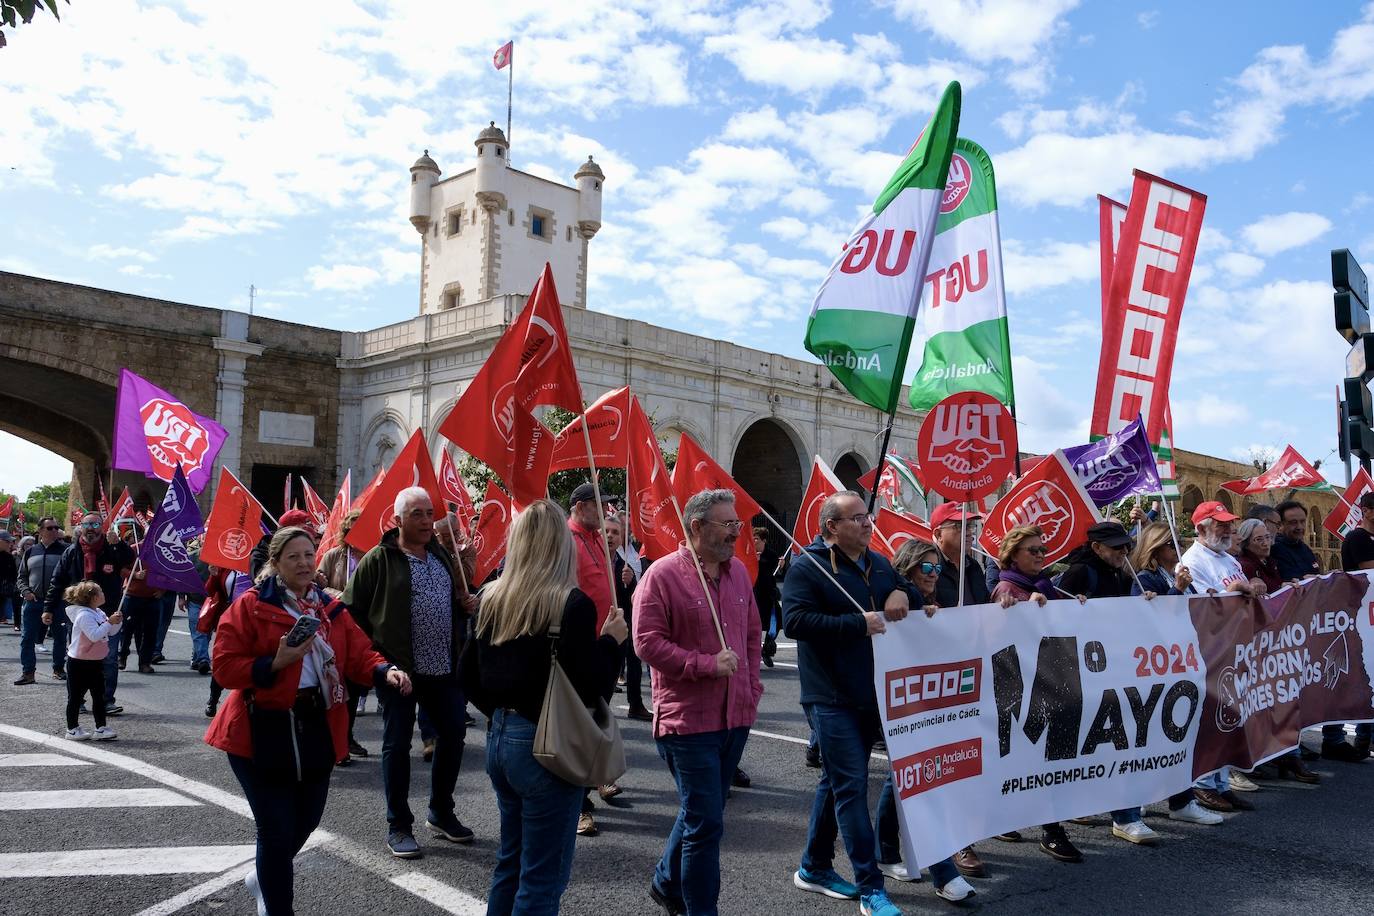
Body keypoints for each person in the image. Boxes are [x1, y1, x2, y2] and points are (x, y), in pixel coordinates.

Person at [206, 526, 411, 916]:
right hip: (260, 728)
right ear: (277, 563)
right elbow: (224, 668)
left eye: (309, 555)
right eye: (293, 557)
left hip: (315, 722)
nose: (303, 563)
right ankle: (278, 905)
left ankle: (264, 875)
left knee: (308, 820)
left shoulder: (329, 608)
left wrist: (386, 670)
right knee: (275, 828)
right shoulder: (250, 605)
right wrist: (274, 663)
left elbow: (359, 653)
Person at [460, 499, 625, 915]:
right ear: (560, 546)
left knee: (511, 862)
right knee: (542, 878)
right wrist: (612, 643)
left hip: (500, 737)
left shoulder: (492, 595)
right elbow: (593, 687)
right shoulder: (570, 603)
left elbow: (467, 673)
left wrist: (501, 711)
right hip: (544, 745)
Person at [784, 491, 936, 916]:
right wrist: (856, 623)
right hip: (830, 695)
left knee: (836, 782)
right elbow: (794, 621)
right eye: (858, 518)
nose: (868, 524)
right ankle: (870, 887)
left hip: (872, 692)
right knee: (851, 787)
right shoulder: (808, 567)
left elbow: (906, 589)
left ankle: (813, 866)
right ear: (832, 526)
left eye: (867, 517)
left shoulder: (877, 561)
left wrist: (903, 594)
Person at [634, 489, 765, 916]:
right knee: (707, 823)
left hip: (735, 716)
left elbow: (751, 635)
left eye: (737, 524)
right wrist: (705, 664)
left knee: (701, 812)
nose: (735, 532)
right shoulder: (662, 575)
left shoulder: (740, 573)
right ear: (696, 527)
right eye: (727, 524)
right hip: (688, 722)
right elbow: (647, 643)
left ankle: (664, 881)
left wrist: (751, 687)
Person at [343, 486, 476, 858]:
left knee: (453, 734)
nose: (426, 521)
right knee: (397, 745)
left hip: (443, 667)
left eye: (429, 514)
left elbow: (452, 604)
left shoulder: (440, 554)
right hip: (399, 671)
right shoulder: (379, 559)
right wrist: (376, 659)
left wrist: (464, 605)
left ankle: (441, 811)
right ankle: (398, 824)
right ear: (397, 520)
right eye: (417, 514)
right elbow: (350, 613)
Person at [1129, 526, 1249, 812]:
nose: (1177, 547)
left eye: (1177, 542)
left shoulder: (1177, 574)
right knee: (1161, 734)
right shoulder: (1144, 579)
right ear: (1155, 549)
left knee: (1194, 728)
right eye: (1170, 543)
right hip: (1163, 666)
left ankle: (1196, 792)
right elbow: (1153, 619)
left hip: (1190, 658)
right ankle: (1151, 796)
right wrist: (1179, 590)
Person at [990, 525, 1090, 860]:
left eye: (1043, 550)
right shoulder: (1006, 588)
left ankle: (1043, 826)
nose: (1040, 556)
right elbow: (998, 639)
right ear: (1012, 554)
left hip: (1051, 685)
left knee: (1046, 760)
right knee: (1029, 761)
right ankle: (1048, 829)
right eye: (1033, 550)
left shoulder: (1046, 586)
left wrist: (1075, 605)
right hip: (1021, 691)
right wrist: (1020, 609)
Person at [886, 539, 976, 900]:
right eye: (926, 568)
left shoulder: (930, 604)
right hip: (901, 702)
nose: (934, 574)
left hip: (933, 701)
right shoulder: (897, 599)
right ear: (908, 568)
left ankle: (884, 851)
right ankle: (944, 872)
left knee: (907, 774)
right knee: (926, 775)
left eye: (938, 568)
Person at [1178, 501, 1262, 812]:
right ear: (1201, 528)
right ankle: (1203, 783)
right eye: (1220, 524)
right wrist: (1236, 592)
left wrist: (1253, 585)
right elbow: (1200, 605)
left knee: (1229, 717)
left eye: (1228, 523)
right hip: (1209, 650)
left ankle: (1221, 783)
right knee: (1211, 718)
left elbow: (1241, 588)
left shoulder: (1228, 558)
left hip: (1234, 648)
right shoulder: (1192, 561)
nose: (1227, 529)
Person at [566, 482, 622, 834]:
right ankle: (578, 804)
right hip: (582, 644)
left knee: (599, 714)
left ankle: (596, 776)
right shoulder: (567, 541)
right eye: (602, 506)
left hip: (607, 641)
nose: (608, 513)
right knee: (579, 724)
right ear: (583, 506)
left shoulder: (598, 539)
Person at [43, 514, 135, 717]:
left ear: (101, 527)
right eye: (87, 524)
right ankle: (77, 699)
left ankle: (106, 701)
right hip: (78, 616)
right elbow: (57, 581)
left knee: (109, 658)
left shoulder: (111, 550)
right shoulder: (71, 552)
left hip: (108, 613)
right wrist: (48, 608)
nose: (91, 528)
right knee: (78, 658)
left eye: (95, 524)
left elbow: (131, 560)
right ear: (81, 527)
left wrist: (119, 544)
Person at [319, 508, 372, 761]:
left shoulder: (375, 556)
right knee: (336, 684)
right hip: (337, 626)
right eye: (353, 530)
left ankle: (346, 737)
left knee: (355, 685)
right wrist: (342, 597)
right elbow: (319, 586)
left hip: (365, 629)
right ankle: (335, 741)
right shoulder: (333, 556)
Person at [1327, 489, 1374, 761]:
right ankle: (1363, 737)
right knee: (1365, 676)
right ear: (1366, 510)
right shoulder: (1357, 538)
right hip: (1361, 616)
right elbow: (1368, 569)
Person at [61, 580, 123, 741]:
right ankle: (72, 728)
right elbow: (94, 635)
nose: (103, 594)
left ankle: (101, 727)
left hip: (95, 661)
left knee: (99, 696)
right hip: (79, 662)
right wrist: (109, 622)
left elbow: (110, 632)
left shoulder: (98, 612)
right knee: (75, 697)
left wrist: (117, 622)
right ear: (93, 597)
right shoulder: (83, 615)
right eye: (100, 592)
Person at [605, 515, 651, 722]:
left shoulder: (624, 565)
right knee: (606, 664)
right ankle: (601, 706)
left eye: (615, 532)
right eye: (606, 531)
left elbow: (633, 595)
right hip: (602, 622)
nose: (610, 536)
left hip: (624, 619)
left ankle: (636, 703)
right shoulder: (594, 558)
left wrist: (630, 582)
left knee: (634, 659)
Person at [14, 517, 69, 685]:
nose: (55, 531)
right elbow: (21, 576)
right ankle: (28, 672)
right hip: (33, 601)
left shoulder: (66, 550)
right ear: (40, 531)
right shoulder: (31, 552)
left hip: (58, 603)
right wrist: (26, 592)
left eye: (56, 527)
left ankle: (58, 669)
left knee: (60, 637)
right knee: (27, 638)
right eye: (50, 528)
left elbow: (71, 575)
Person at [930, 503, 989, 607]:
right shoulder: (927, 568)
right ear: (939, 534)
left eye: (970, 526)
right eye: (959, 526)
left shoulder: (973, 566)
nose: (968, 533)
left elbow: (985, 603)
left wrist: (999, 600)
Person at [1270, 500, 1321, 582]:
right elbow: (1289, 580)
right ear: (1280, 525)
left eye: (1302, 521)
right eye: (1293, 522)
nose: (1299, 527)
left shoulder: (1304, 548)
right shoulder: (1275, 549)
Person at [752, 527, 781, 668]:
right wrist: (754, 561)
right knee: (754, 625)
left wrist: (781, 566)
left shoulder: (771, 555)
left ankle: (767, 650)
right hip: (754, 594)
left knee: (774, 625)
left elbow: (773, 573)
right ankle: (754, 653)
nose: (754, 541)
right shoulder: (749, 554)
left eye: (756, 539)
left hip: (769, 594)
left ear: (764, 540)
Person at [1237, 519, 1282, 594]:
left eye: (1267, 537)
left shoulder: (1270, 562)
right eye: (1259, 539)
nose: (1265, 543)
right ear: (1246, 543)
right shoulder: (1245, 566)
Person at [0, 531, 16, 626]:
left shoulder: (9, 557)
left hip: (4, 593)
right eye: (7, 542)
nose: (10, 544)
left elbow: (13, 575)